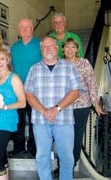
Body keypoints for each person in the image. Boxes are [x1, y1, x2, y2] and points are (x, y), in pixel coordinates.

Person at [24, 36, 81, 180]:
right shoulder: (34, 69)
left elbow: (75, 91)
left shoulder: (69, 67)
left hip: (64, 119)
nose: (48, 49)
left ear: (57, 48)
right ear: (41, 50)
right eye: (45, 47)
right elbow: (28, 94)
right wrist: (45, 111)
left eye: (51, 46)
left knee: (67, 158)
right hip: (40, 120)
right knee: (42, 156)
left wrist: (56, 109)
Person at [62, 38, 105, 168]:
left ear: (77, 49)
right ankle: (63, 162)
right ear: (63, 49)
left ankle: (72, 162)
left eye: (73, 47)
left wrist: (96, 104)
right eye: (67, 47)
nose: (70, 50)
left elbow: (91, 84)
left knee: (76, 135)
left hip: (82, 105)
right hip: (64, 106)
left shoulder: (84, 63)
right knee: (63, 135)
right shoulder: (59, 64)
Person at [0, 48, 26, 180]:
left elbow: (22, 103)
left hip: (6, 121)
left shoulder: (14, 78)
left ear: (7, 60)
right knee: (1, 155)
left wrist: (4, 106)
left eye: (2, 59)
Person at [9, 18, 42, 157]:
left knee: (35, 120)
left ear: (32, 28)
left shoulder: (39, 45)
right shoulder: (14, 47)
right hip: (18, 91)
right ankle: (19, 148)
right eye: (21, 27)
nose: (24, 29)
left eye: (27, 27)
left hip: (35, 90)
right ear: (18, 29)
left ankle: (34, 149)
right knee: (19, 121)